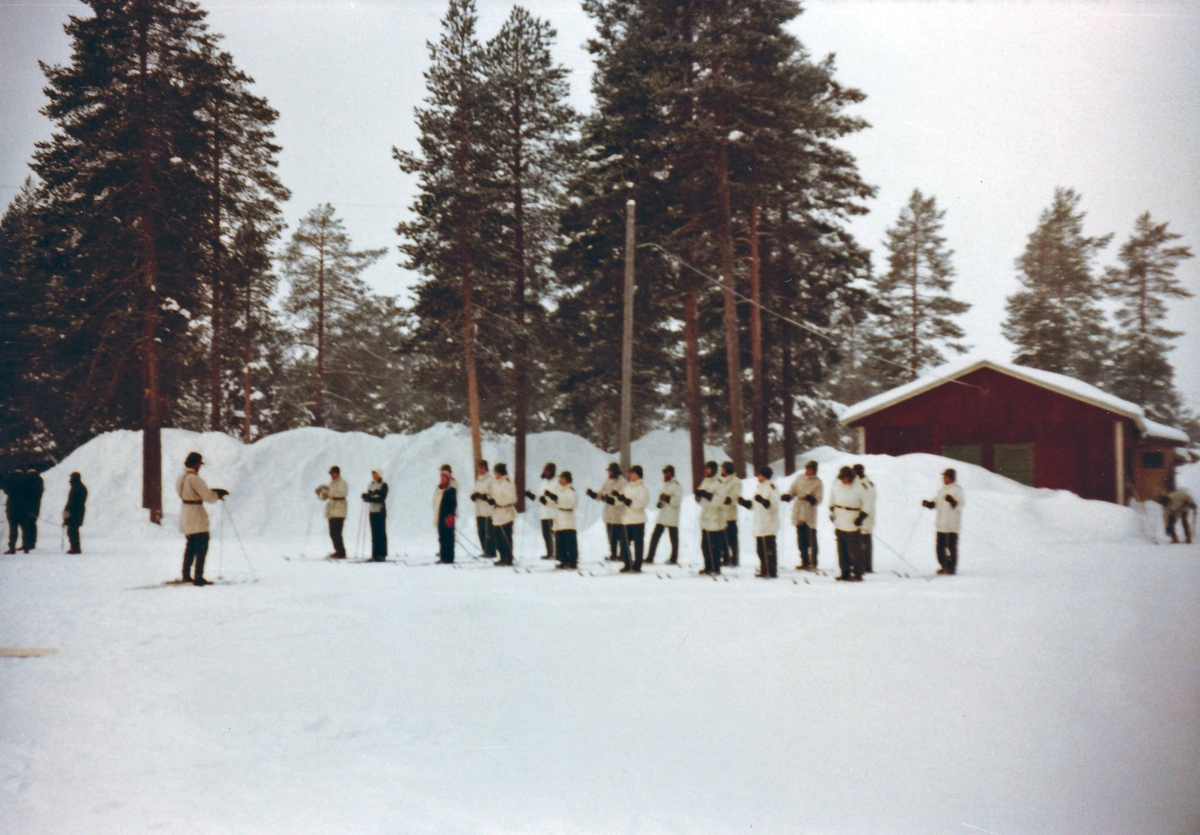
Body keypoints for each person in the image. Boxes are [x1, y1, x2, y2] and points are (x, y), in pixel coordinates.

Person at [176, 452, 228, 586]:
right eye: (199, 464)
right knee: (202, 545)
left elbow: (191, 493)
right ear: (196, 464)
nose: (200, 466)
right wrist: (217, 494)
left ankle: (186, 574)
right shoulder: (194, 478)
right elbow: (208, 497)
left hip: (186, 513)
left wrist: (211, 492)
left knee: (190, 546)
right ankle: (198, 576)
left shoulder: (182, 477)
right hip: (196, 514)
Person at [923, 468, 965, 574]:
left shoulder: (958, 490)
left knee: (951, 547)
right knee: (939, 548)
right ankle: (944, 565)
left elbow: (960, 505)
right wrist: (929, 504)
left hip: (952, 525)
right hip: (941, 524)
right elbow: (936, 502)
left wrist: (952, 501)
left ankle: (951, 568)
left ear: (950, 478)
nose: (943, 478)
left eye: (945, 476)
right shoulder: (942, 490)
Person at [739, 465, 779, 578]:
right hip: (759, 523)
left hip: (768, 522)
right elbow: (753, 505)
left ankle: (771, 570)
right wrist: (744, 503)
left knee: (769, 548)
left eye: (759, 474)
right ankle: (764, 568)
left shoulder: (772, 486)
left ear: (764, 475)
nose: (757, 476)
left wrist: (763, 501)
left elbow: (774, 505)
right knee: (760, 549)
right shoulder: (760, 487)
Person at [782, 460, 823, 571]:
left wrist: (813, 499)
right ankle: (804, 561)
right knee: (801, 538)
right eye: (807, 468)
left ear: (814, 470)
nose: (808, 471)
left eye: (810, 469)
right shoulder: (800, 478)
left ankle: (813, 562)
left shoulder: (818, 482)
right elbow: (793, 489)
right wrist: (788, 496)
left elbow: (819, 498)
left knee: (811, 537)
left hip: (809, 509)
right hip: (799, 508)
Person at [829, 465, 865, 582]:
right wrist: (832, 511)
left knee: (854, 550)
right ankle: (845, 571)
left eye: (846, 478)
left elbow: (867, 501)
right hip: (840, 519)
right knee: (841, 549)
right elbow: (832, 497)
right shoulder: (837, 484)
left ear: (851, 477)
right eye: (842, 478)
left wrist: (862, 516)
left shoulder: (859, 486)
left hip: (852, 519)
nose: (844, 480)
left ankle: (857, 573)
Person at [587, 463, 626, 561]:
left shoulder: (622, 482)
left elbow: (622, 499)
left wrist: (612, 500)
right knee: (611, 536)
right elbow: (601, 494)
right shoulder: (607, 482)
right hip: (609, 513)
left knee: (621, 537)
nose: (608, 472)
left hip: (619, 514)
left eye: (610, 471)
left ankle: (623, 554)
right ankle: (613, 554)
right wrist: (593, 495)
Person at [615, 465, 649, 572]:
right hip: (627, 519)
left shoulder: (643, 489)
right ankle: (627, 563)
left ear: (638, 475)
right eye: (630, 473)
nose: (630, 475)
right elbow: (621, 500)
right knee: (624, 542)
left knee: (638, 543)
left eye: (632, 473)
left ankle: (637, 565)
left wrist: (626, 501)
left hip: (638, 519)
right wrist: (615, 499)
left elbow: (640, 504)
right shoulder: (627, 487)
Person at [647, 465, 682, 564]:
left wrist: (666, 498)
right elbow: (660, 503)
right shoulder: (665, 485)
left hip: (672, 515)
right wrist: (660, 502)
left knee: (673, 538)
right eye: (664, 473)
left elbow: (676, 501)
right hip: (663, 515)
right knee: (655, 536)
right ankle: (650, 557)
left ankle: (674, 558)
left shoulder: (676, 486)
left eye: (667, 473)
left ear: (671, 473)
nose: (665, 475)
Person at [694, 461, 725, 575]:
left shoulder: (719, 483)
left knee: (715, 545)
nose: (706, 471)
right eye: (705, 468)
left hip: (716, 517)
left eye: (708, 469)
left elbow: (719, 500)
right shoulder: (705, 482)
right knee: (705, 544)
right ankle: (708, 565)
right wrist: (698, 495)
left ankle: (716, 566)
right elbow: (701, 501)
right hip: (706, 517)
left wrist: (706, 494)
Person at [315, 466, 349, 559]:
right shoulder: (331, 483)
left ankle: (341, 552)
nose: (331, 475)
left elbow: (341, 494)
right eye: (330, 473)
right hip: (332, 510)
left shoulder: (342, 483)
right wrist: (320, 493)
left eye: (332, 473)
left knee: (337, 532)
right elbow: (325, 496)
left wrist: (328, 491)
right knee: (332, 532)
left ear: (337, 473)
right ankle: (337, 550)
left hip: (339, 509)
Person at [487, 463, 517, 566]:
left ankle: (508, 558)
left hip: (506, 513)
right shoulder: (495, 483)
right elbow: (490, 493)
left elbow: (511, 498)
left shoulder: (508, 483)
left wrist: (498, 501)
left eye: (496, 472)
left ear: (501, 472)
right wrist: (489, 499)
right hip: (497, 514)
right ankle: (502, 556)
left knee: (506, 537)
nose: (495, 474)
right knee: (497, 537)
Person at [529, 462, 558, 560]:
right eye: (545, 470)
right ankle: (549, 552)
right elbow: (540, 496)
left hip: (553, 513)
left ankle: (556, 552)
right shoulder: (544, 482)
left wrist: (547, 501)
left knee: (553, 534)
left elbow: (557, 498)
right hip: (544, 513)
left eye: (548, 471)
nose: (546, 472)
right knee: (545, 533)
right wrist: (532, 496)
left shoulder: (556, 482)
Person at [470, 460, 496, 558]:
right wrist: (473, 495)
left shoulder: (490, 480)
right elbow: (475, 490)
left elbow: (492, 493)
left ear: (486, 468)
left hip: (487, 510)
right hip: (479, 510)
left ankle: (491, 551)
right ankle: (485, 550)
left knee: (488, 532)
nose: (480, 470)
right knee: (481, 531)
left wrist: (483, 495)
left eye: (482, 468)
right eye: (479, 468)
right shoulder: (479, 480)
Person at [853, 463, 876, 573]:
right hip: (857, 514)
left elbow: (869, 501)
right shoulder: (855, 483)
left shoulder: (867, 484)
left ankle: (867, 565)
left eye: (858, 471)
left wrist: (863, 515)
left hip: (866, 515)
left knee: (865, 539)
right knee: (858, 540)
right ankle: (859, 563)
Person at [553, 471, 579, 569]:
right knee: (560, 541)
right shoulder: (560, 491)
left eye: (562, 478)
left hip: (567, 519)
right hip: (559, 518)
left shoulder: (571, 491)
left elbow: (571, 504)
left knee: (569, 541)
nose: (560, 480)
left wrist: (558, 501)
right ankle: (563, 559)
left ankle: (572, 561)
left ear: (567, 480)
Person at [718, 461, 741, 566]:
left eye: (723, 469)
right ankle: (726, 558)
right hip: (721, 513)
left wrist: (729, 499)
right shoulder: (720, 480)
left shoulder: (736, 481)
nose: (721, 470)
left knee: (732, 538)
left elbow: (735, 495)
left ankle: (735, 558)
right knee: (722, 539)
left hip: (730, 514)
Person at [362, 469, 389, 561]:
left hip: (380, 510)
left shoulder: (383, 485)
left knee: (381, 532)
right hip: (372, 511)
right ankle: (375, 554)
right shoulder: (371, 484)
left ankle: (382, 554)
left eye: (376, 474)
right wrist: (366, 497)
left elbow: (382, 498)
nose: (374, 476)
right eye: (373, 474)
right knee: (374, 533)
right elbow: (371, 496)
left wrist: (370, 498)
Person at [434, 464, 457, 563]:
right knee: (442, 536)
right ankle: (443, 556)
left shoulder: (451, 489)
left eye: (443, 477)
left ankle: (449, 557)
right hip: (440, 515)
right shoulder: (441, 488)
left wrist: (450, 515)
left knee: (448, 537)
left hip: (448, 516)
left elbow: (453, 504)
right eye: (441, 477)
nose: (441, 479)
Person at [2, 470, 27, 554]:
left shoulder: (11, 481)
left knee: (13, 529)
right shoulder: (25, 482)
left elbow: (6, 490)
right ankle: (25, 546)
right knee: (24, 528)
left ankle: (12, 547)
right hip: (23, 508)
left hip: (12, 508)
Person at [63, 472, 88, 554]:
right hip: (79, 511)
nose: (70, 480)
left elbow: (70, 503)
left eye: (71, 478)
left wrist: (66, 516)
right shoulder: (81, 487)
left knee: (72, 530)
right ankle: (75, 547)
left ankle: (75, 548)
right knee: (74, 530)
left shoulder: (75, 488)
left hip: (73, 512)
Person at [23, 468, 44, 551]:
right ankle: (31, 543)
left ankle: (28, 543)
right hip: (36, 506)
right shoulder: (39, 481)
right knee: (32, 524)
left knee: (28, 525)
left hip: (29, 506)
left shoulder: (30, 481)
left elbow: (28, 494)